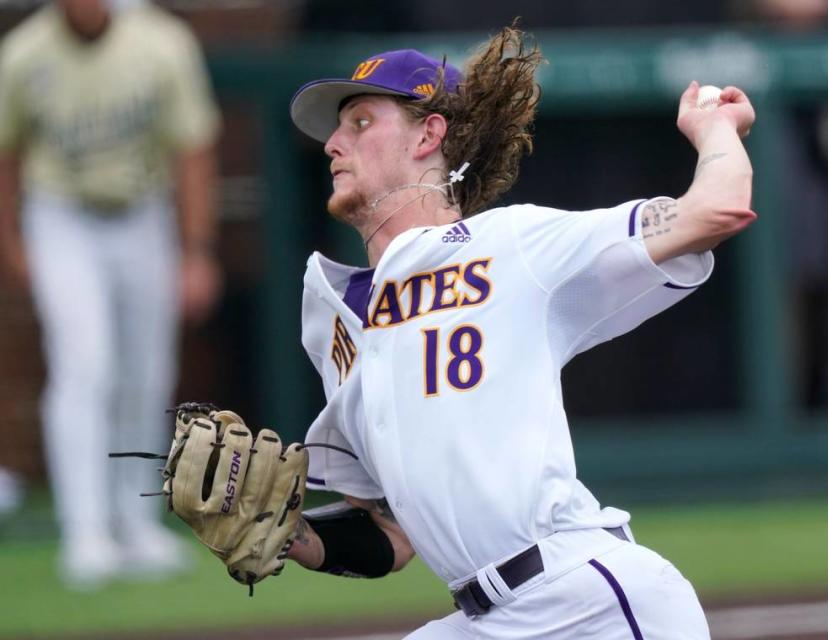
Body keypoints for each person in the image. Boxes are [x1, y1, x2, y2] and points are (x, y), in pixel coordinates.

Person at [283, 26, 755, 638]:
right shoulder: (338, 324)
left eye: (362, 122)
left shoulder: (510, 246)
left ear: (429, 135)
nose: (334, 144)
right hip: (486, 618)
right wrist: (287, 534)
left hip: (585, 600)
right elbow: (391, 535)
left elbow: (715, 209)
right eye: (336, 129)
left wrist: (716, 130)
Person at [0, 0, 221, 588]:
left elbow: (193, 149)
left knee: (147, 374)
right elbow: (6, 152)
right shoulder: (23, 54)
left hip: (142, 213)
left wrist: (196, 250)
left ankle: (135, 522)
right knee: (84, 366)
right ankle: (86, 532)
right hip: (62, 216)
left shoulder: (162, 41)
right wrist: (12, 239)